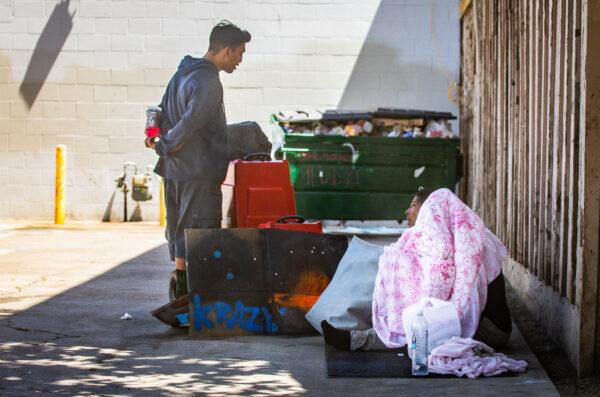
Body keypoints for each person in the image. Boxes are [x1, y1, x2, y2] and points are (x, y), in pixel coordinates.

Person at [322, 187, 512, 351]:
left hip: (492, 330)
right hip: (480, 322)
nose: (407, 211)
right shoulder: (460, 238)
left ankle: (360, 340)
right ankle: (363, 335)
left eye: (413, 206)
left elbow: (450, 297)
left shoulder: (471, 248)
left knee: (425, 325)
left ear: (432, 210)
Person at [146, 21, 251, 299]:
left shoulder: (182, 73)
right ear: (226, 51)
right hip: (197, 171)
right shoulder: (209, 82)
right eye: (239, 53)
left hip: (175, 171)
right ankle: (195, 298)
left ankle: (180, 290)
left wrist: (155, 137)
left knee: (182, 231)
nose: (240, 60)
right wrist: (164, 145)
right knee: (201, 235)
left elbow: (159, 110)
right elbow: (190, 124)